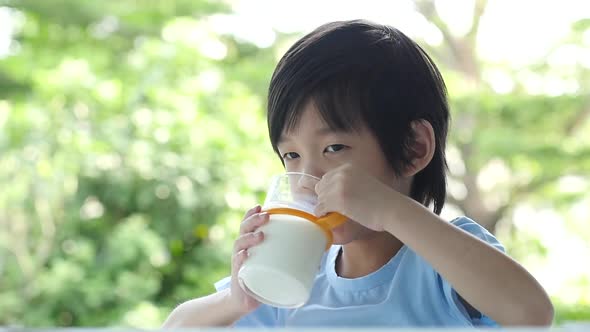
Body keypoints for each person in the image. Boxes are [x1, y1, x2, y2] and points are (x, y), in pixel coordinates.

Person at [162, 19, 554, 328]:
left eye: (334, 148)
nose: (308, 177)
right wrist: (237, 300)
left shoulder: (445, 264)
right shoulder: (298, 273)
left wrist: (390, 209)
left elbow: (531, 313)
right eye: (292, 155)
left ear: (413, 147)